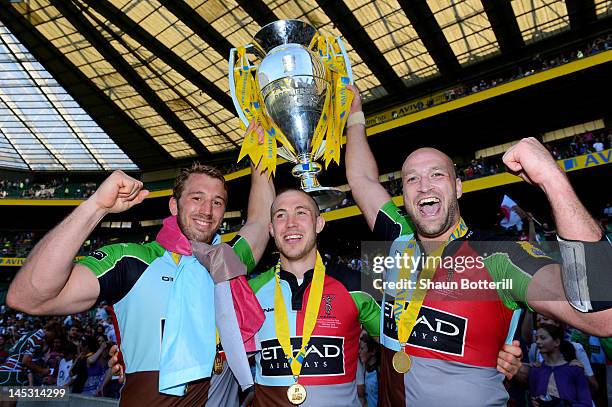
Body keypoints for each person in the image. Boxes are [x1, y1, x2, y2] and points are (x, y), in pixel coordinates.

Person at [344, 85, 612, 407]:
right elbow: (361, 179)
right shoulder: (394, 238)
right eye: (411, 179)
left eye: (436, 174)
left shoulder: (499, 256)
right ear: (403, 195)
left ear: (457, 187)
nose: (424, 184)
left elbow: (603, 318)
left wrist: (551, 179)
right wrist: (354, 112)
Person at [6, 151, 274, 406]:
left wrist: (260, 148)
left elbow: (261, 221)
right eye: (197, 198)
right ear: (174, 205)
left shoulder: (227, 261)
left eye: (217, 202)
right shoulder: (131, 260)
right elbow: (29, 297)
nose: (207, 210)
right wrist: (96, 206)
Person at [245, 189, 522, 406]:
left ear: (319, 223)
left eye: (301, 212)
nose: (290, 223)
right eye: (280, 215)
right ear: (270, 228)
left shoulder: (357, 285)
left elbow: (406, 340)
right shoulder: (250, 290)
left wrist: (488, 350)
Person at [528, 323, 592, 407]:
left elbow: (586, 403)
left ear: (557, 342)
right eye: (536, 338)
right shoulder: (535, 370)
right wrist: (533, 402)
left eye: (543, 338)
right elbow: (532, 397)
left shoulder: (575, 369)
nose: (538, 341)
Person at [0, 321, 62, 386]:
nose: (53, 338)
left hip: (5, 371)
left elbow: (17, 336)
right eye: (54, 336)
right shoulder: (38, 337)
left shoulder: (31, 333)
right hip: (12, 374)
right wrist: (42, 370)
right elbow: (25, 361)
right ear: (51, 331)